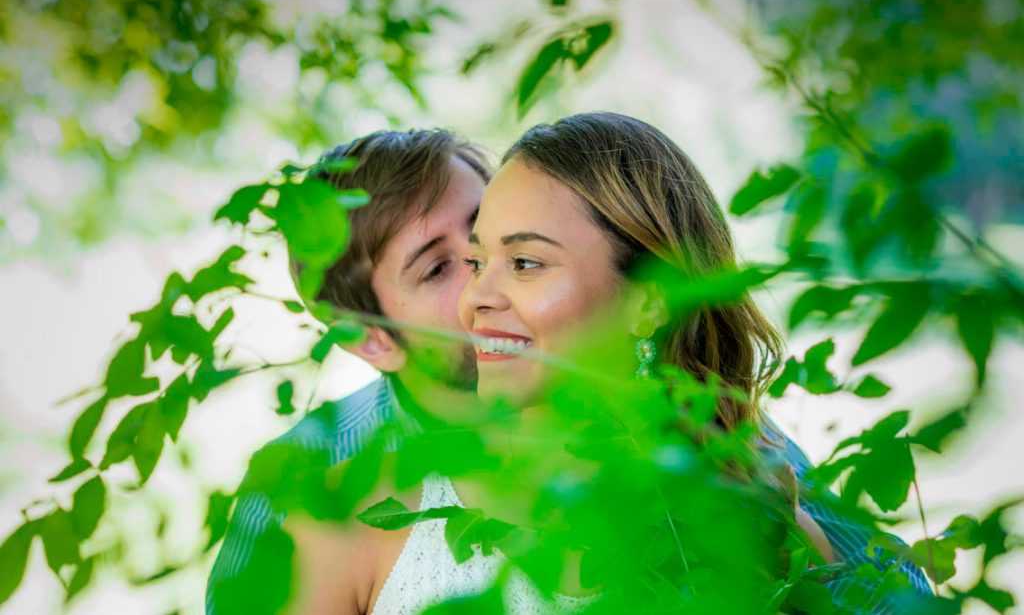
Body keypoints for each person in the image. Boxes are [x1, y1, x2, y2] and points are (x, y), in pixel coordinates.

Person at [209, 119, 930, 615]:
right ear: (370, 339)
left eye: (501, 250)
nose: (480, 293)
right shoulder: (314, 487)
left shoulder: (719, 449)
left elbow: (895, 589)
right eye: (440, 268)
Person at [206, 128, 491, 614]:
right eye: (437, 269)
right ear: (371, 339)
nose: (488, 269)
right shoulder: (296, 485)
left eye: (485, 227)